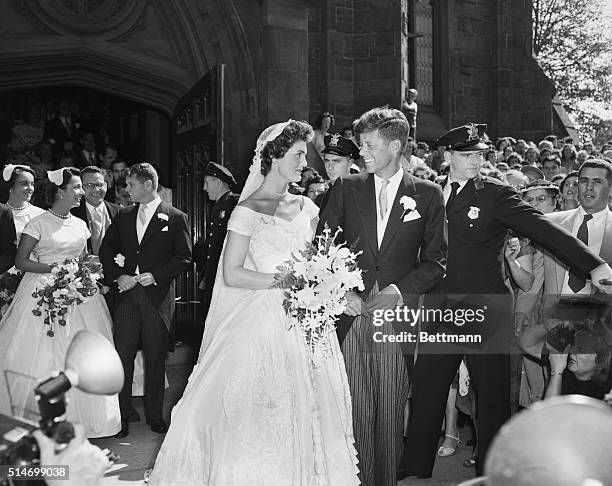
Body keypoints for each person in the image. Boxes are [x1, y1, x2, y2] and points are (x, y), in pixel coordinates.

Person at [148, 120, 358, 485]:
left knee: (309, 405)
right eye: (297, 155)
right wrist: (285, 280)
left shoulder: (308, 207)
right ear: (275, 157)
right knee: (253, 404)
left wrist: (324, 279)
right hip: (262, 316)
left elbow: (312, 257)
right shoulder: (247, 210)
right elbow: (231, 273)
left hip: (307, 318)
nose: (303, 163)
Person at [399, 124, 612, 479]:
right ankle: (414, 467)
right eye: (467, 155)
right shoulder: (430, 193)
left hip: (485, 311)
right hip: (440, 308)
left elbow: (541, 228)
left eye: (480, 154)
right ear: (447, 156)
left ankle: (494, 471)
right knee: (427, 390)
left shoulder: (496, 194)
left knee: (493, 397)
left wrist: (592, 264)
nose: (475, 161)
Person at [319, 107, 447, 486]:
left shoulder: (427, 194)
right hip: (352, 314)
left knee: (391, 412)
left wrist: (399, 290)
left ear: (394, 145)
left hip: (396, 315)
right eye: (361, 145)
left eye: (369, 145)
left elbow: (436, 261)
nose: (362, 153)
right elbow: (322, 249)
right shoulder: (346, 188)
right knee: (354, 410)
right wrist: (341, 293)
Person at [0, 168, 121, 438]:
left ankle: (84, 420)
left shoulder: (80, 225)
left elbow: (85, 257)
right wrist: (55, 270)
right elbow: (21, 261)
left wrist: (87, 272)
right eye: (77, 188)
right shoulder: (39, 223)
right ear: (60, 191)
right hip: (42, 290)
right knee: (43, 353)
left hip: (79, 295)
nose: (82, 193)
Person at [99, 163, 191, 438]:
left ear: (148, 184)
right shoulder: (124, 215)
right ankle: (122, 418)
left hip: (157, 297)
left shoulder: (175, 217)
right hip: (127, 296)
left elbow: (184, 257)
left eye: (131, 185)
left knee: (154, 358)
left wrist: (157, 275)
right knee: (122, 357)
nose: (127, 190)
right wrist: (119, 276)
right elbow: (106, 248)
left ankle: (154, 415)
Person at [195, 162, 239, 323]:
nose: (204, 188)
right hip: (215, 274)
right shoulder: (218, 205)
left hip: (225, 276)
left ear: (217, 182)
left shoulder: (233, 203)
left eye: (206, 183)